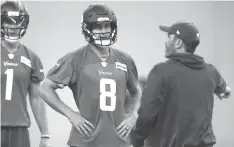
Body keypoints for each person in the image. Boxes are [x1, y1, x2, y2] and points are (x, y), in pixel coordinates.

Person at [39, 4, 142, 147]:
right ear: (88, 29)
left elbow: (136, 91)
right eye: (98, 27)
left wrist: (133, 115)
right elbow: (45, 88)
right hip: (85, 141)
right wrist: (71, 114)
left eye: (107, 26)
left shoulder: (125, 59)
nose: (105, 31)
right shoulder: (75, 58)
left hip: (118, 141)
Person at [130, 22, 231, 147]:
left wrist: (136, 140)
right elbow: (224, 88)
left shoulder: (161, 72)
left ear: (178, 43)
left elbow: (147, 115)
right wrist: (224, 91)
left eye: (169, 37)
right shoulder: (211, 72)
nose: (165, 42)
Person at [1, 1, 50, 147]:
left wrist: (45, 133)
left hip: (19, 129)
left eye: (18, 22)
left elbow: (36, 98)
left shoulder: (31, 58)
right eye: (8, 22)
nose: (14, 26)